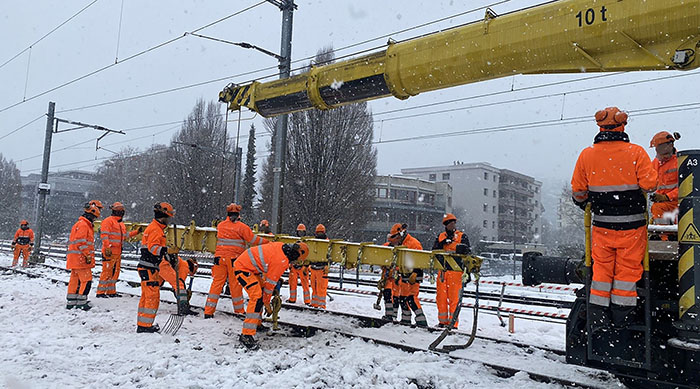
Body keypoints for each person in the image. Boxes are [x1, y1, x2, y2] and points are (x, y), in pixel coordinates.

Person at [571, 107, 657, 327]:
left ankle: (599, 317)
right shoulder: (636, 152)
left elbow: (578, 193)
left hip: (601, 226)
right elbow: (650, 184)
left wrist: (588, 202)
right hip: (633, 226)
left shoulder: (586, 154)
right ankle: (622, 319)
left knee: (601, 270)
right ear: (622, 126)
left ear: (600, 127)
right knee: (627, 272)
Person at [235, 241, 309, 350]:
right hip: (243, 268)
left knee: (259, 295)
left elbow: (270, 266)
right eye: (297, 259)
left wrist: (275, 280)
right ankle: (246, 335)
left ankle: (257, 324)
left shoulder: (281, 246)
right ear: (296, 254)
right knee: (257, 298)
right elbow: (269, 286)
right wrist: (267, 304)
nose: (295, 262)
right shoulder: (282, 261)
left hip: (249, 267)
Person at [136, 202, 196, 333]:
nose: (169, 220)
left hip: (147, 267)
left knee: (146, 297)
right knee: (152, 298)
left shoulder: (153, 228)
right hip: (150, 268)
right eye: (168, 217)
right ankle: (145, 326)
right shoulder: (156, 230)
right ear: (164, 217)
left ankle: (142, 324)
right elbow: (153, 248)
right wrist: (167, 250)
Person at [204, 203, 269, 318]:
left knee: (216, 284)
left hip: (219, 259)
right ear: (238, 214)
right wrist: (267, 242)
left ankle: (208, 311)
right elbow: (252, 240)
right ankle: (239, 311)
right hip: (234, 260)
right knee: (235, 285)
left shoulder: (221, 226)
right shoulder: (242, 227)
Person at [432, 213, 470, 328]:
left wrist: (467, 272)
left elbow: (468, 255)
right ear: (446, 225)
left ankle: (453, 323)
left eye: (454, 222)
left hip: (456, 273)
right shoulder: (440, 237)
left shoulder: (462, 236)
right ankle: (443, 322)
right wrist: (442, 243)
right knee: (441, 298)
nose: (452, 224)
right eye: (450, 223)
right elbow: (434, 251)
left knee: (454, 299)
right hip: (443, 272)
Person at [97, 202, 141, 297]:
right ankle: (100, 292)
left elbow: (124, 236)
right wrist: (107, 247)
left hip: (117, 252)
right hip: (110, 251)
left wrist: (136, 232)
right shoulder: (108, 221)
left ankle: (111, 291)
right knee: (107, 272)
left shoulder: (120, 224)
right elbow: (104, 235)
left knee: (114, 273)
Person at [387, 224, 428, 327]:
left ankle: (421, 322)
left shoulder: (413, 244)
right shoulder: (401, 244)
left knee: (411, 298)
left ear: (401, 234)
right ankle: (406, 320)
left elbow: (420, 259)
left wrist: (416, 272)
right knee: (403, 298)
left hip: (413, 276)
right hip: (404, 275)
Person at [66, 203, 100, 310]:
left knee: (74, 280)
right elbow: (81, 242)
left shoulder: (78, 224)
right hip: (81, 259)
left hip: (75, 259)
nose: (94, 220)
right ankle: (81, 302)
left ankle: (71, 301)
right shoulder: (84, 225)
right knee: (86, 280)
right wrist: (88, 255)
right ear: (90, 215)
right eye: (94, 218)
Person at [649, 131, 681, 225]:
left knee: (658, 208)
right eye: (658, 149)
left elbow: (684, 186)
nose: (660, 152)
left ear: (671, 145)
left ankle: (665, 234)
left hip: (678, 201)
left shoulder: (680, 162)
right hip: (663, 203)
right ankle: (663, 233)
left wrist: (666, 197)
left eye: (663, 148)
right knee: (657, 208)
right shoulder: (655, 163)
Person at [309, 224, 329, 309]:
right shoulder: (314, 242)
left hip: (322, 269)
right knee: (314, 287)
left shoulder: (327, 243)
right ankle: (315, 304)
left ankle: (321, 305)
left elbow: (329, 256)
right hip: (314, 268)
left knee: (321, 288)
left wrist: (327, 265)